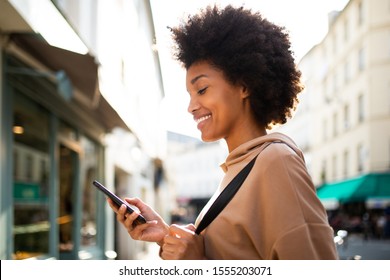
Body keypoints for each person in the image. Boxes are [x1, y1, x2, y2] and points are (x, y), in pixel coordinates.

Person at [108, 4, 338, 260]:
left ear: (244, 85)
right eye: (190, 95)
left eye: (202, 90)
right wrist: (165, 236)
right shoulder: (238, 168)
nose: (191, 106)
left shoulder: (277, 163)